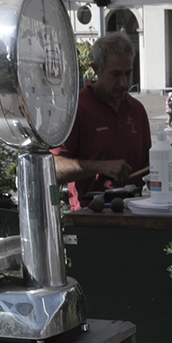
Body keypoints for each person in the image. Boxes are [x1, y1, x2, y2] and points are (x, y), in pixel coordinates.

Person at [51, 30, 151, 210]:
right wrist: (100, 167)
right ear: (96, 69)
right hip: (90, 216)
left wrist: (165, 159)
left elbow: (146, 165)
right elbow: (53, 168)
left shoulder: (137, 110)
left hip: (135, 212)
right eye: (116, 74)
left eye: (128, 73)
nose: (123, 82)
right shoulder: (76, 108)